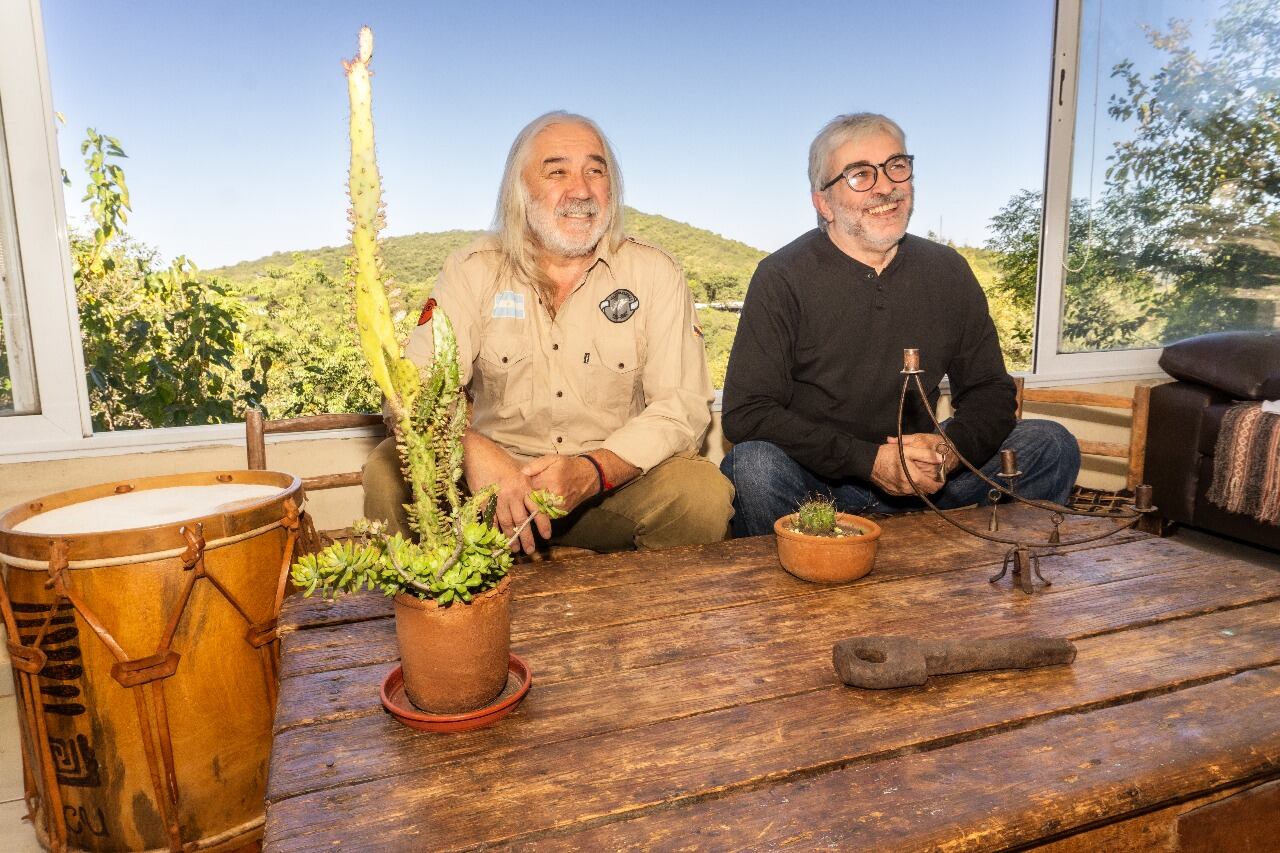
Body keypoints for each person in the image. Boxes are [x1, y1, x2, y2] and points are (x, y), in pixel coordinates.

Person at [364, 111, 733, 553]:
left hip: (609, 487)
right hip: (490, 489)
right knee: (388, 469)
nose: (581, 190)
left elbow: (681, 406)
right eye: (557, 172)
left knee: (700, 493)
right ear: (519, 190)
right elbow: (411, 390)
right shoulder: (471, 270)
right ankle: (431, 599)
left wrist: (593, 470)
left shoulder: (655, 272)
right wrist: (468, 447)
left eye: (595, 171)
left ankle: (649, 601)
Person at [719, 112, 1079, 537]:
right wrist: (870, 460)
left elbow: (990, 391)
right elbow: (747, 413)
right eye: (860, 175)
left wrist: (948, 449)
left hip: (929, 478)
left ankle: (982, 568)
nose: (885, 186)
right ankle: (807, 575)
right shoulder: (781, 276)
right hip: (820, 485)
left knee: (1051, 444)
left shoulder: (947, 271)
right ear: (823, 203)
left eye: (896, 166)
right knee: (752, 466)